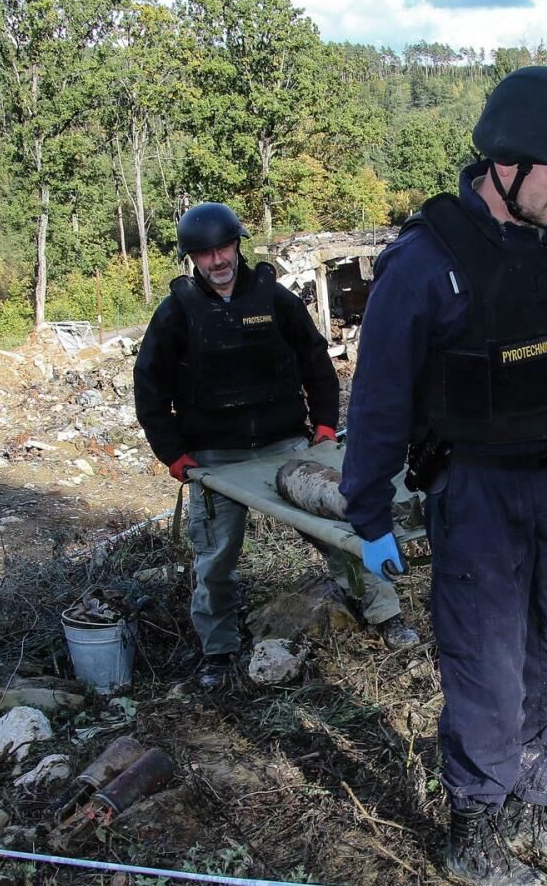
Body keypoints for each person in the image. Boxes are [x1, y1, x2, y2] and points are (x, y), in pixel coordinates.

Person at [338, 67, 547, 886]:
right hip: (475, 488)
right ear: (506, 162)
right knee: (487, 664)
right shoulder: (429, 263)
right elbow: (382, 393)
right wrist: (368, 513)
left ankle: (533, 799)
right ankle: (475, 829)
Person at [134, 202, 420, 693]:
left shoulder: (275, 298)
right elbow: (149, 388)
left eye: (223, 247)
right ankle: (219, 652)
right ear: (192, 259)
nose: (217, 260)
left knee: (341, 529)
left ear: (238, 245)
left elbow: (316, 362)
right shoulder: (176, 313)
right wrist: (175, 456)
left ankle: (385, 614)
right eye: (204, 253)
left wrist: (325, 426)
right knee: (216, 558)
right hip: (216, 459)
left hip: (289, 445)